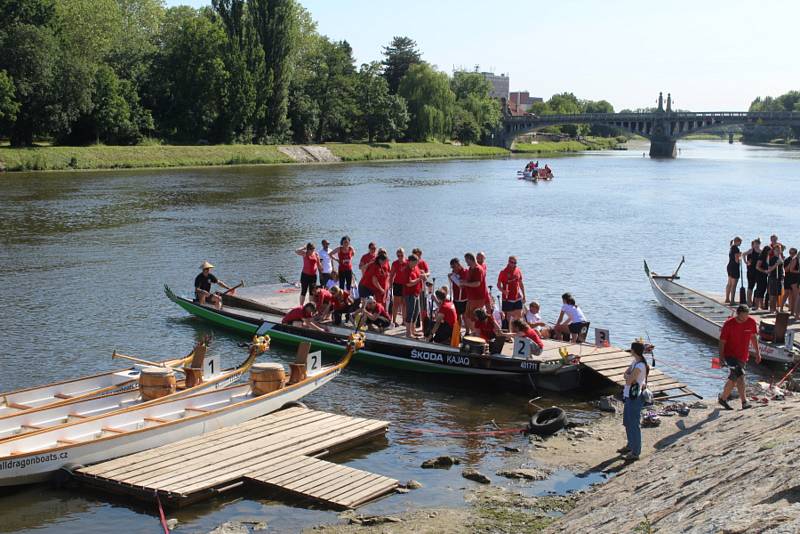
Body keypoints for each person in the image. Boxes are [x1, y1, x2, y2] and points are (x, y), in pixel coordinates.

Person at [718, 304, 761, 410]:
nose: (746, 318)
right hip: (730, 355)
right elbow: (722, 342)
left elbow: (753, 337)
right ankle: (744, 402)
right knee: (740, 375)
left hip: (743, 355)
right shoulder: (728, 324)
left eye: (747, 315)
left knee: (733, 379)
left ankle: (723, 399)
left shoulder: (751, 322)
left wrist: (757, 353)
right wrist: (721, 358)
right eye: (743, 316)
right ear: (738, 314)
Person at [619, 340, 649, 461]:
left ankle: (635, 452)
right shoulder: (635, 362)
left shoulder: (640, 365)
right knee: (627, 422)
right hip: (629, 395)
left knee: (634, 424)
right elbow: (626, 374)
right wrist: (629, 376)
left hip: (635, 397)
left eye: (631, 349)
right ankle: (630, 445)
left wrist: (628, 376)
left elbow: (628, 380)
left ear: (634, 350)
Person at [497, 256, 526, 329]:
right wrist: (503, 291)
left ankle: (517, 332)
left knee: (518, 316)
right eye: (512, 262)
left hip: (517, 297)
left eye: (515, 263)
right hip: (507, 298)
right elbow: (498, 284)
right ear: (508, 262)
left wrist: (524, 295)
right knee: (509, 318)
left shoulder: (518, 270)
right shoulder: (503, 272)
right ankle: (509, 334)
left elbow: (521, 283)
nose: (514, 264)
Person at [462, 253, 484, 335]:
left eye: (466, 260)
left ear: (470, 259)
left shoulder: (478, 269)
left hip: (477, 297)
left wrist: (465, 284)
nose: (466, 262)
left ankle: (477, 333)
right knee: (467, 315)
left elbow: (477, 283)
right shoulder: (470, 269)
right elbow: (469, 281)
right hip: (470, 297)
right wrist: (463, 283)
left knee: (475, 317)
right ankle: (474, 332)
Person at [402, 255, 424, 338]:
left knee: (416, 312)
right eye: (415, 262)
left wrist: (422, 275)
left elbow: (419, 273)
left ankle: (413, 330)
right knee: (410, 312)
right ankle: (408, 333)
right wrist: (419, 279)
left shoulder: (416, 267)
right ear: (410, 261)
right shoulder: (406, 270)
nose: (417, 263)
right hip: (409, 294)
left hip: (416, 293)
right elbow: (408, 283)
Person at [389, 248, 408, 327]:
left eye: (401, 255)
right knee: (396, 304)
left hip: (405, 285)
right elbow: (392, 275)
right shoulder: (395, 263)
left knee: (404, 303)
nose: (400, 257)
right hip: (397, 284)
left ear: (404, 255)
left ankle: (404, 321)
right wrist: (390, 285)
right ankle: (394, 321)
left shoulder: (407, 262)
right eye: (398, 255)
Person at [448, 257, 469, 328]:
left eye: (453, 267)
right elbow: (453, 282)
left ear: (458, 264)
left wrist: (453, 277)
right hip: (456, 297)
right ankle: (458, 330)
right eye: (451, 267)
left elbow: (461, 285)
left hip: (464, 298)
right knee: (457, 315)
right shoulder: (454, 272)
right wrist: (451, 278)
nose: (453, 269)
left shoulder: (465, 272)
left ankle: (467, 331)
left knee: (465, 315)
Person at [743, 238, 761, 306]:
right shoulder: (751, 250)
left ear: (759, 244)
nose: (756, 245)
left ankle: (755, 302)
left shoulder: (761, 251)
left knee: (758, 287)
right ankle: (749, 301)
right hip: (750, 271)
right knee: (750, 286)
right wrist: (745, 262)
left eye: (757, 244)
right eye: (755, 244)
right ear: (753, 244)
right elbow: (743, 254)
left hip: (758, 271)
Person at [725, 237, 742, 304]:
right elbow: (736, 259)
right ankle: (732, 300)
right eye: (740, 242)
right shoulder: (736, 249)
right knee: (734, 285)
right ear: (737, 241)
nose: (740, 243)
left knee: (729, 283)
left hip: (729, 266)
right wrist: (739, 258)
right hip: (734, 267)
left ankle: (727, 298)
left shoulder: (731, 247)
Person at [781, 248, 798, 314]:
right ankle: (781, 307)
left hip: (794, 279)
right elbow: (786, 270)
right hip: (788, 278)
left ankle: (792, 309)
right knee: (786, 293)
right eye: (790, 253)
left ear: (795, 253)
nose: (791, 254)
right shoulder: (787, 260)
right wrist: (790, 263)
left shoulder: (797, 260)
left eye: (793, 253)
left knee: (793, 295)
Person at [753, 246, 771, 311]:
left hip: (764, 276)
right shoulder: (761, 257)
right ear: (766, 251)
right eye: (769, 251)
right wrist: (764, 271)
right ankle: (756, 305)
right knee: (759, 290)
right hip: (760, 276)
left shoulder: (767, 257)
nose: (770, 252)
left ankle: (761, 305)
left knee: (763, 290)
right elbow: (757, 267)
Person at [785, 248, 800, 319]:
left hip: (795, 279)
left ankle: (793, 312)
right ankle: (796, 314)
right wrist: (799, 271)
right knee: (797, 297)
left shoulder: (796, 259)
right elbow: (791, 270)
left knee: (795, 296)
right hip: (794, 280)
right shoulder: (795, 259)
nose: (792, 254)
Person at [767, 245, 782, 312]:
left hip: (779, 278)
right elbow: (769, 269)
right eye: (776, 250)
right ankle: (771, 308)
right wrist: (776, 264)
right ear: (774, 251)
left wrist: (783, 274)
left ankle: (775, 307)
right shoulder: (772, 259)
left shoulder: (780, 258)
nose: (778, 251)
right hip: (773, 277)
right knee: (772, 294)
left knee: (777, 294)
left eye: (779, 250)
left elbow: (782, 268)